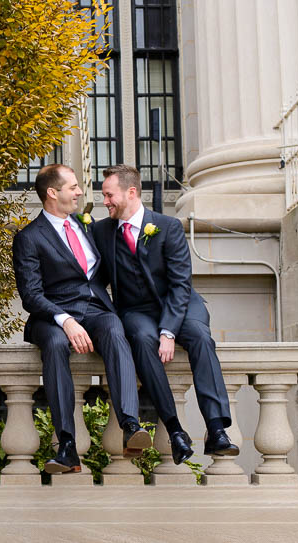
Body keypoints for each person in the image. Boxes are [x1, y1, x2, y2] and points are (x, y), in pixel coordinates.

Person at [93, 164, 238, 465]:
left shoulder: (168, 227)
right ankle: (175, 432)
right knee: (143, 341)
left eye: (109, 195)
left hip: (179, 305)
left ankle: (217, 429)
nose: (104, 201)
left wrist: (169, 332)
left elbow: (180, 284)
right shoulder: (100, 231)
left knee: (200, 337)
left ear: (131, 192)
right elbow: (94, 279)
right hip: (136, 310)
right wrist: (99, 315)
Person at [12, 164, 150, 474]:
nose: (79, 192)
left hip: (95, 309)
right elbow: (31, 295)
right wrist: (65, 319)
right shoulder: (29, 238)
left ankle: (130, 425)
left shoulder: (87, 226)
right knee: (57, 344)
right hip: (51, 314)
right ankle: (67, 446)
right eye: (72, 187)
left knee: (115, 330)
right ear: (52, 193)